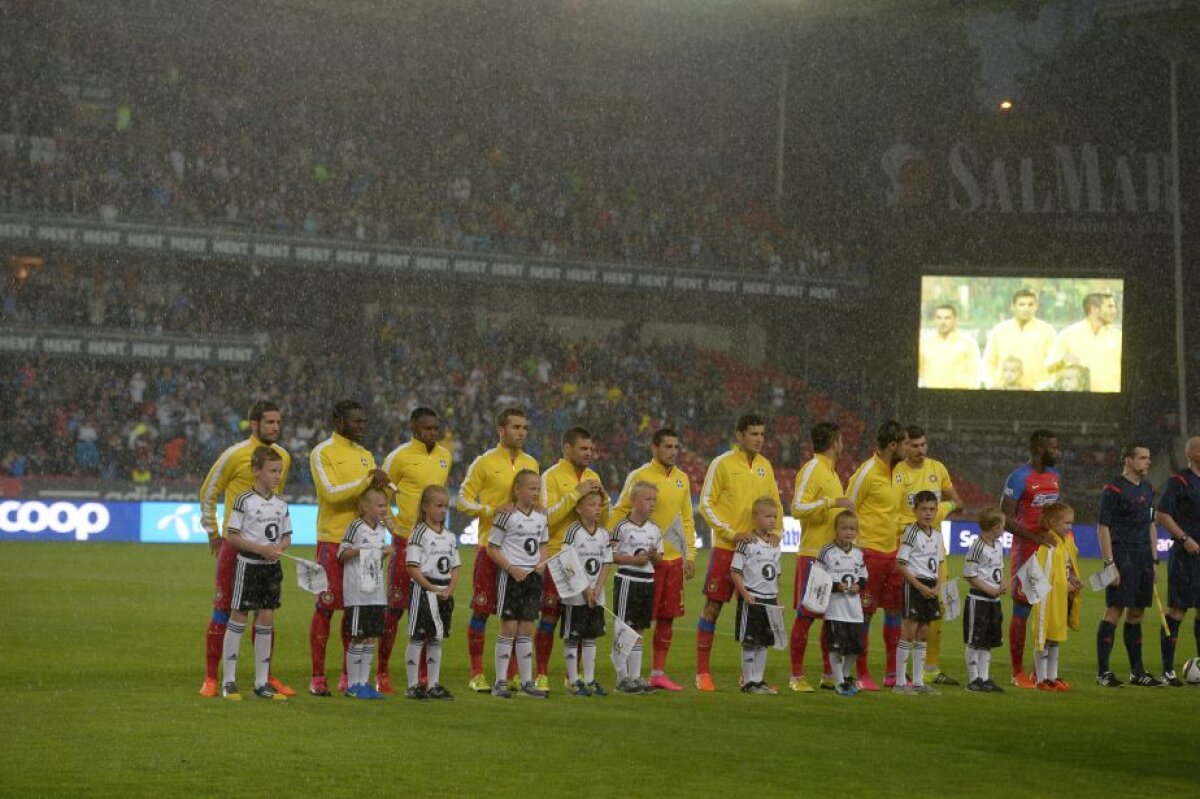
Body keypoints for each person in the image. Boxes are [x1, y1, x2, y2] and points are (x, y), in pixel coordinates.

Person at [198, 400, 293, 698]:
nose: (275, 427)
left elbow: (274, 501)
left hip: (268, 552)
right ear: (254, 424)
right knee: (225, 609)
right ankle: (212, 678)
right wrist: (213, 532)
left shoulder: (283, 457)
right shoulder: (234, 454)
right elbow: (208, 491)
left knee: (265, 612)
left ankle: (265, 677)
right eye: (269, 422)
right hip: (236, 546)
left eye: (278, 422)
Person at [696, 413, 784, 692]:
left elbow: (776, 503)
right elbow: (706, 503)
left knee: (756, 611)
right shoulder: (722, 463)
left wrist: (777, 532)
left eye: (762, 434)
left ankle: (749, 675)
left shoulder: (765, 466)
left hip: (757, 553)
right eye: (754, 434)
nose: (760, 439)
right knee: (713, 608)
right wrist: (730, 532)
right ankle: (702, 672)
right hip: (727, 547)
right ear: (740, 436)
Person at [308, 400, 390, 697]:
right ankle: (318, 677)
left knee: (358, 609)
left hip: (365, 545)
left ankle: (349, 676)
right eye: (357, 421)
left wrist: (382, 485)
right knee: (326, 607)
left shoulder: (366, 455)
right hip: (332, 540)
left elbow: (372, 498)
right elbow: (330, 494)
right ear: (339, 421)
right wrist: (367, 479)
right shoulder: (322, 452)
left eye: (364, 421)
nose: (362, 426)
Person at [456, 408, 540, 692]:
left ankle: (513, 673)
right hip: (490, 548)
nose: (522, 432)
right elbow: (463, 500)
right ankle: (476, 673)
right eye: (516, 427)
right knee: (481, 610)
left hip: (521, 555)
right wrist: (490, 510)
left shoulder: (531, 462)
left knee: (516, 616)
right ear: (501, 430)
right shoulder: (484, 462)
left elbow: (538, 502)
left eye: (524, 427)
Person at [608, 427, 696, 691]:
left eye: (676, 447)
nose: (673, 452)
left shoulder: (682, 479)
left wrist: (690, 554)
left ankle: (657, 673)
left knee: (667, 618)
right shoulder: (640, 476)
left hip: (671, 559)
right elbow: (620, 511)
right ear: (654, 448)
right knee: (635, 621)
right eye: (667, 446)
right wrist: (607, 544)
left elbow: (686, 519)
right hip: (643, 562)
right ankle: (625, 674)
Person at [376, 407, 452, 695]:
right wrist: (394, 527)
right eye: (427, 428)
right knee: (395, 609)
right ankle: (382, 672)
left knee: (429, 610)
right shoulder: (399, 457)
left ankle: (424, 676)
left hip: (433, 545)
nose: (433, 433)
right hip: (406, 542)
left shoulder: (445, 456)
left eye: (436, 428)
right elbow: (380, 496)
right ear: (414, 429)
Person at [537, 426, 607, 693]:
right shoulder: (551, 476)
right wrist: (576, 493)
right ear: (567, 449)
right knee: (550, 617)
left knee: (582, 620)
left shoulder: (593, 477)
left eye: (591, 449)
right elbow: (546, 518)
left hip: (586, 559)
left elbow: (604, 520)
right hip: (558, 557)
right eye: (583, 448)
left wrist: (604, 502)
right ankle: (541, 674)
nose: (589, 453)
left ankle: (574, 677)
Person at [219, 446, 291, 701]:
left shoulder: (281, 503)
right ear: (256, 471)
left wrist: (279, 549)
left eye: (279, 471)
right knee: (238, 617)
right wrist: (261, 549)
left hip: (271, 569)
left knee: (266, 620)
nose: (277, 476)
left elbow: (286, 536)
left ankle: (262, 683)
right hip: (248, 566)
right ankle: (228, 681)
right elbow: (232, 536)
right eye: (272, 471)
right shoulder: (244, 501)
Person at [894, 424, 961, 686]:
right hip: (908, 549)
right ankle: (898, 673)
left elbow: (958, 501)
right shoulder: (897, 472)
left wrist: (942, 509)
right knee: (905, 617)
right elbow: (890, 510)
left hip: (935, 549)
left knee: (936, 610)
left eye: (923, 444)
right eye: (914, 445)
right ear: (904, 446)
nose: (920, 450)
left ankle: (930, 669)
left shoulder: (937, 468)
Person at [788, 422, 852, 692]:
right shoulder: (813, 468)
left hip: (832, 558)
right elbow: (797, 507)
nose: (843, 445)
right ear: (835, 443)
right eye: (841, 440)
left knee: (831, 619)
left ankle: (828, 674)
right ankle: (796, 676)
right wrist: (831, 502)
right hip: (813, 556)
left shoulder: (831, 473)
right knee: (806, 617)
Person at [844, 420, 908, 691]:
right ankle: (861, 672)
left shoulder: (899, 473)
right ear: (893, 445)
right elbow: (847, 509)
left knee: (894, 612)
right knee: (865, 613)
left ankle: (892, 672)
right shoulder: (866, 473)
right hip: (869, 554)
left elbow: (901, 512)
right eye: (904, 444)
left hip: (894, 554)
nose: (907, 449)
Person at [1095, 444, 1162, 687]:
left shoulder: (1148, 488)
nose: (1148, 462)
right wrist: (1109, 564)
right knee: (1114, 610)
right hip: (1122, 556)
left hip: (1144, 557)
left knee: (1137, 613)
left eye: (1149, 457)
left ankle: (1137, 673)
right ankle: (1103, 673)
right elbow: (1103, 527)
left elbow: (1151, 524)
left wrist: (1154, 560)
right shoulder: (1113, 489)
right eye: (1143, 458)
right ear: (1128, 460)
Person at [1001, 429, 1061, 689]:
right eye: (1053, 448)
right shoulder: (1019, 478)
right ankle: (1017, 672)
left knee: (1048, 611)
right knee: (1023, 610)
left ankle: (1043, 674)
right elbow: (1005, 519)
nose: (1057, 452)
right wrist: (1035, 537)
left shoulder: (1055, 476)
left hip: (1050, 551)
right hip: (1027, 551)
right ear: (1039, 449)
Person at [486, 469, 550, 699]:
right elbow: (492, 548)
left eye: (538, 488)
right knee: (509, 628)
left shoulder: (541, 517)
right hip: (511, 577)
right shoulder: (506, 515)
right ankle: (500, 682)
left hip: (533, 578)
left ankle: (527, 683)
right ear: (517, 489)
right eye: (532, 488)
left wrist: (542, 562)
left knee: (526, 629)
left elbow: (544, 544)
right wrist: (511, 568)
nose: (536, 492)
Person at [404, 485, 460, 701]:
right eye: (438, 506)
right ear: (425, 507)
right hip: (423, 591)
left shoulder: (450, 536)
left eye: (445, 506)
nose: (443, 510)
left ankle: (433, 684)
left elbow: (455, 567)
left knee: (436, 638)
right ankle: (412, 686)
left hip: (444, 592)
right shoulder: (419, 533)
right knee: (418, 637)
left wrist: (449, 590)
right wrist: (431, 588)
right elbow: (412, 567)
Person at [1155, 436, 1200, 686]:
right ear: (1189, 454)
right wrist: (1184, 539)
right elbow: (1162, 515)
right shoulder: (1179, 481)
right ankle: (1167, 670)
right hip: (1185, 556)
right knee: (1177, 611)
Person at [337, 488, 390, 700]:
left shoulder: (381, 529)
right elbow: (341, 554)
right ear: (365, 507)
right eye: (380, 505)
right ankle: (352, 685)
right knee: (358, 637)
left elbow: (375, 560)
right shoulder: (356, 527)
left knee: (370, 638)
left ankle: (364, 683)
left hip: (376, 591)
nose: (384, 509)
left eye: (385, 505)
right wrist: (361, 550)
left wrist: (383, 554)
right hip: (358, 593)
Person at [611, 481, 664, 693]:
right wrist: (634, 560)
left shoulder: (655, 529)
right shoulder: (622, 527)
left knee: (640, 629)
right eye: (648, 499)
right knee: (625, 627)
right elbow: (612, 556)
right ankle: (621, 678)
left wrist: (653, 556)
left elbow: (659, 560)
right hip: (627, 580)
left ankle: (635, 676)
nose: (652, 504)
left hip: (647, 582)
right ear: (633, 500)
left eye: (655, 500)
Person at [560, 491, 613, 697]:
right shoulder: (573, 531)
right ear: (579, 509)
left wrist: (598, 587)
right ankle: (573, 681)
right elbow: (566, 561)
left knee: (591, 637)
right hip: (575, 595)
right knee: (573, 638)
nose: (597, 508)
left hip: (596, 595)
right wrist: (584, 588)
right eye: (591, 505)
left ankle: (590, 680)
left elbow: (606, 562)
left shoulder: (603, 534)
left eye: (599, 505)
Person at [731, 497, 783, 695]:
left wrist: (777, 598)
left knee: (764, 642)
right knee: (750, 641)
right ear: (755, 517)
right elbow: (735, 571)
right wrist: (745, 594)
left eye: (775, 517)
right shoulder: (746, 543)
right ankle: (748, 682)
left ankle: (759, 680)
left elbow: (776, 574)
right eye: (768, 516)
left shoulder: (775, 545)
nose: (772, 520)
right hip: (752, 598)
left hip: (770, 599)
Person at [893, 491, 943, 695]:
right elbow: (900, 564)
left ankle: (918, 682)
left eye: (932, 509)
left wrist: (938, 585)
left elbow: (939, 563)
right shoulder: (911, 532)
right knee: (909, 632)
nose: (928, 513)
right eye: (923, 509)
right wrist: (920, 586)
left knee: (923, 633)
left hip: (931, 586)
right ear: (915, 511)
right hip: (915, 586)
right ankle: (899, 683)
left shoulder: (937, 535)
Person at [1031, 502, 1081, 692]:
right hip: (1048, 600)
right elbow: (1043, 574)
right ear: (1052, 522)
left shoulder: (1064, 542)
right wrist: (1063, 585)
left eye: (1071, 523)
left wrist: (1073, 579)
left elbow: (1065, 568)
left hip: (1060, 599)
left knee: (1055, 638)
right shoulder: (1048, 544)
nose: (1070, 527)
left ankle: (1052, 677)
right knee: (1044, 637)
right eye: (1066, 523)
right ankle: (1041, 678)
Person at [818, 512, 868, 697]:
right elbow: (818, 576)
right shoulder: (827, 551)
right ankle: (839, 682)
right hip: (835, 609)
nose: (848, 532)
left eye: (852, 529)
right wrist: (834, 586)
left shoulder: (858, 553)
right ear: (836, 530)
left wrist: (858, 586)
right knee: (836, 648)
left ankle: (845, 677)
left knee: (855, 648)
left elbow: (864, 576)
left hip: (854, 610)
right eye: (844, 528)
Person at [963, 507, 1007, 693]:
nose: (1004, 529)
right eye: (1003, 526)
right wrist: (990, 589)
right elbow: (969, 575)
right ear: (996, 527)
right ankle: (974, 679)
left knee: (988, 640)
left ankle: (985, 678)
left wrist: (1002, 583)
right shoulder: (977, 547)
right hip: (978, 600)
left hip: (993, 602)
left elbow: (999, 568)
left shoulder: (998, 545)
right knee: (975, 640)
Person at [1045, 292, 1121, 393]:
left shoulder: (1119, 337)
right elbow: (1049, 367)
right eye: (1110, 307)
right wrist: (1063, 360)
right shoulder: (1068, 334)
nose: (1114, 311)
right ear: (1094, 309)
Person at [981, 289, 1057, 389]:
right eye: (1021, 305)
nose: (1026, 309)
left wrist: (1040, 387)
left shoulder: (1047, 330)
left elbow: (1055, 365)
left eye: (1030, 305)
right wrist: (992, 384)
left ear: (1036, 307)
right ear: (1013, 306)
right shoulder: (999, 330)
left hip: (1035, 390)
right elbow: (988, 362)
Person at [918, 303, 981, 389]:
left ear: (955, 320)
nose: (942, 322)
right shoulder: (925, 342)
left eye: (947, 318)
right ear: (934, 320)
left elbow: (974, 376)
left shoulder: (968, 343)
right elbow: (919, 373)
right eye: (939, 318)